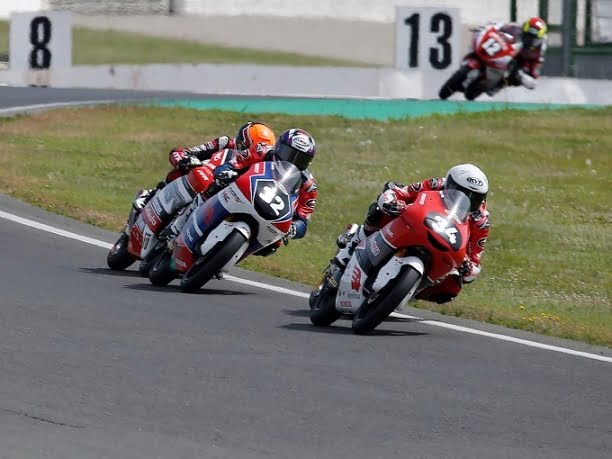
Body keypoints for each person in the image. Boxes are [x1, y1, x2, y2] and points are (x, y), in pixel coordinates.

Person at [333, 164, 490, 304]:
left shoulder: (481, 220)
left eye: (475, 199)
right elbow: (400, 192)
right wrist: (391, 203)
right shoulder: (436, 185)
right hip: (414, 223)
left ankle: (407, 291)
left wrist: (469, 268)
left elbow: (475, 261)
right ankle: (355, 241)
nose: (468, 201)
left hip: (444, 243)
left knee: (452, 286)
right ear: (449, 184)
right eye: (461, 192)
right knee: (379, 210)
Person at [212, 128, 319, 256]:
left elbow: (303, 222)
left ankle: (229, 258)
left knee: (273, 246)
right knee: (213, 187)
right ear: (278, 147)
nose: (292, 161)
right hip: (240, 193)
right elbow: (233, 164)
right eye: (289, 153)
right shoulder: (261, 151)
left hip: (272, 215)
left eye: (301, 160)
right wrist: (226, 173)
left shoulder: (308, 185)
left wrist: (293, 228)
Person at [132, 121, 276, 210]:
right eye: (244, 148)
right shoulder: (225, 143)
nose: (245, 153)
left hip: (220, 198)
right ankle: (150, 196)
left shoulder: (259, 170)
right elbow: (183, 152)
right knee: (185, 168)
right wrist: (186, 161)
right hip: (201, 178)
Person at [498, 16, 548, 88]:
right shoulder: (512, 28)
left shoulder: (539, 49)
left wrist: (521, 74)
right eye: (527, 36)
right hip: (497, 54)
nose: (529, 40)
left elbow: (534, 73)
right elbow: (495, 28)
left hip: (511, 68)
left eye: (533, 38)